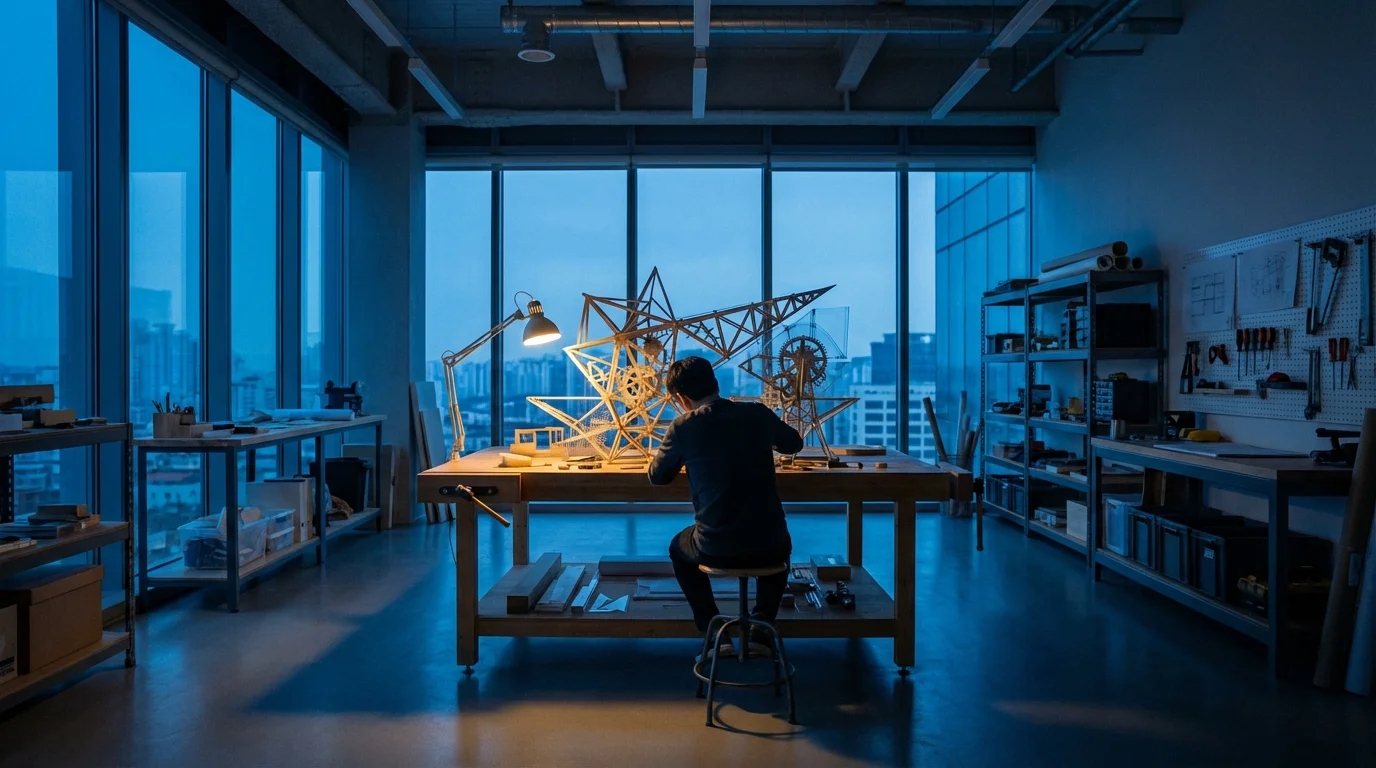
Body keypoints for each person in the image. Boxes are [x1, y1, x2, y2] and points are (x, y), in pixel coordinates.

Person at [648, 356, 804, 652]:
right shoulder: (756, 414)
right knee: (778, 543)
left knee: (677, 548)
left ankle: (713, 626)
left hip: (714, 548)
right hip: (770, 546)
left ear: (681, 398)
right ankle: (761, 623)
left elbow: (658, 477)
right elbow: (793, 443)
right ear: (716, 384)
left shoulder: (683, 427)